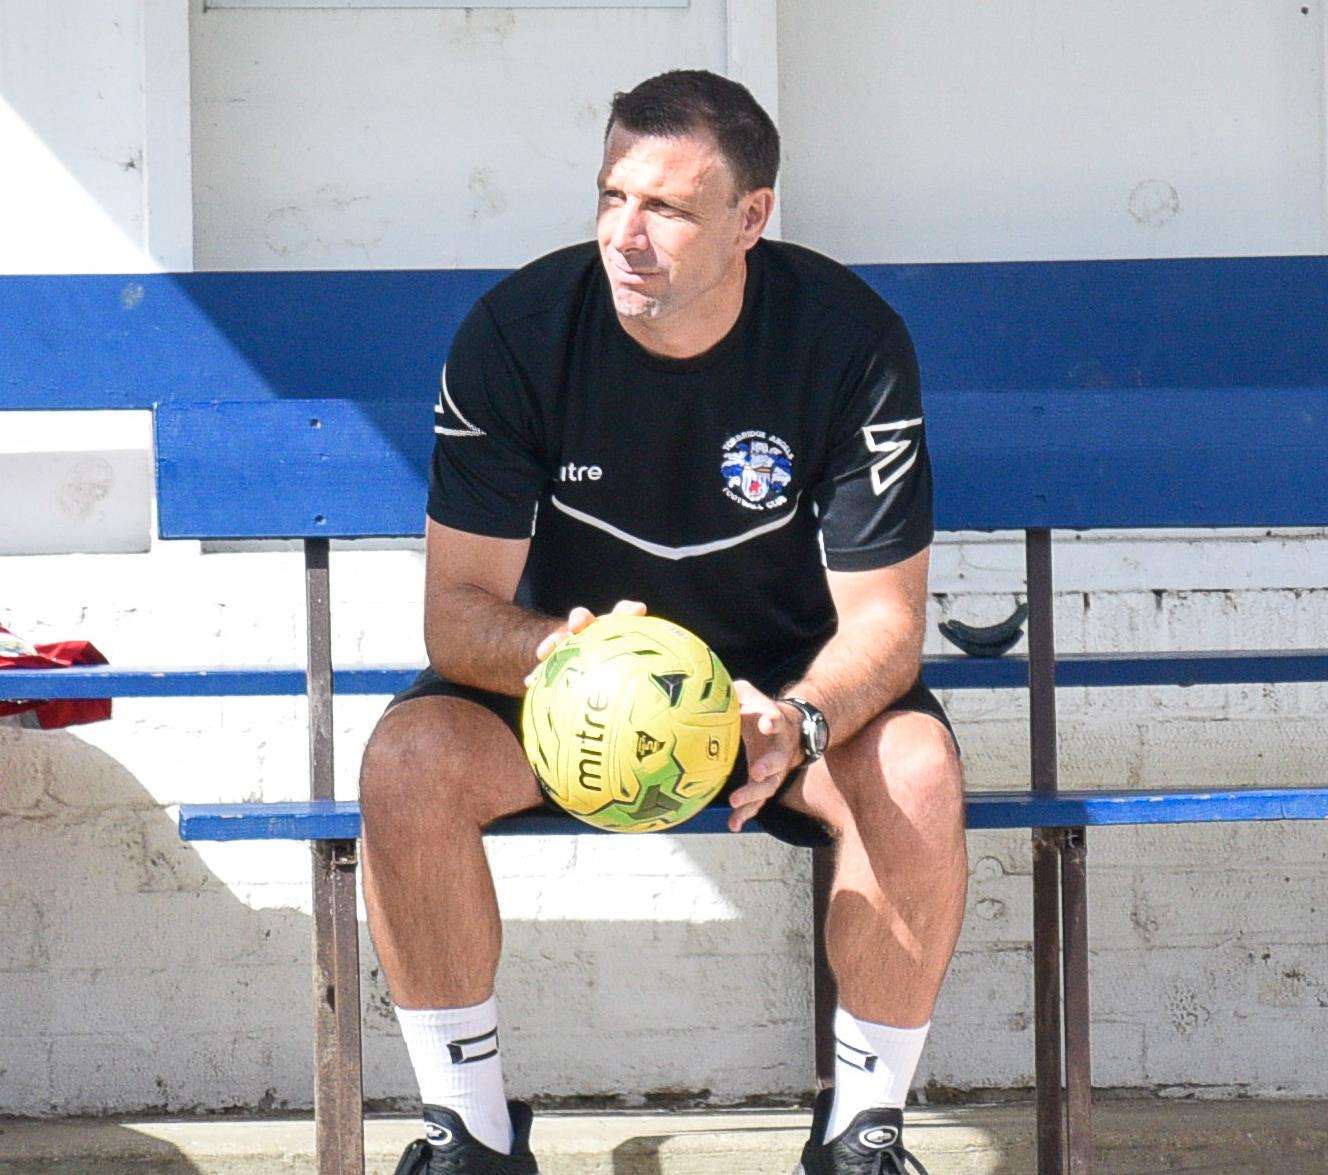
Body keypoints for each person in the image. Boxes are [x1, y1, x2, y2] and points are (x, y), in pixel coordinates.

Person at [364, 69, 966, 1175]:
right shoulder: (516, 334)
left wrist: (799, 719)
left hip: (776, 698)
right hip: (572, 693)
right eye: (609, 195)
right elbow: (456, 615)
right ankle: (471, 1133)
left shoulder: (847, 341)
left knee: (918, 767)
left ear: (749, 218)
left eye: (666, 209)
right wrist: (567, 653)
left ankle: (861, 1136)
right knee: (407, 761)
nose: (623, 235)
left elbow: (885, 620)